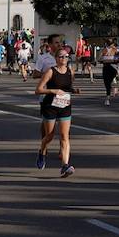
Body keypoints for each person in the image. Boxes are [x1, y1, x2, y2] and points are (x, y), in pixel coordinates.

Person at [36, 47, 77, 177]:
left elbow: (68, 87)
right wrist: (53, 91)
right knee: (49, 136)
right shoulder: (50, 71)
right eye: (61, 57)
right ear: (56, 59)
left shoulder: (70, 71)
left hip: (65, 105)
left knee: (65, 136)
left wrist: (74, 90)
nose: (64, 59)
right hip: (50, 106)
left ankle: (65, 165)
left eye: (66, 57)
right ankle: (42, 150)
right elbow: (38, 90)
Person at [99, 38, 119, 105]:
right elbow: (99, 59)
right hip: (109, 67)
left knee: (108, 83)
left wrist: (106, 59)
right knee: (108, 83)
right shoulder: (105, 50)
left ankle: (107, 98)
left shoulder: (114, 49)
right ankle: (112, 91)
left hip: (111, 67)